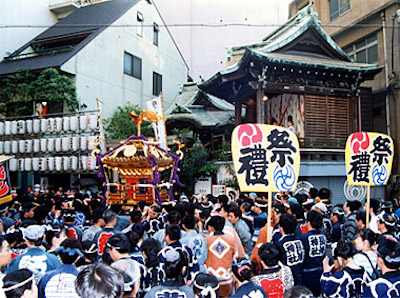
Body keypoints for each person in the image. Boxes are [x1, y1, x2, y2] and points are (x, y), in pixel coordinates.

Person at [205, 216, 235, 297]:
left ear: (211, 227)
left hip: (212, 280)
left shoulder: (207, 240)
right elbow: (233, 256)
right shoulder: (230, 239)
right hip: (227, 278)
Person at [301, 210, 327, 297]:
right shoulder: (323, 236)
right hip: (320, 270)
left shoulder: (304, 238)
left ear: (308, 222)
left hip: (307, 273)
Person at [276, 213, 305, 286]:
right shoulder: (300, 240)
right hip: (300, 276)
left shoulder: (279, 244)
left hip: (287, 279)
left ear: (281, 227)